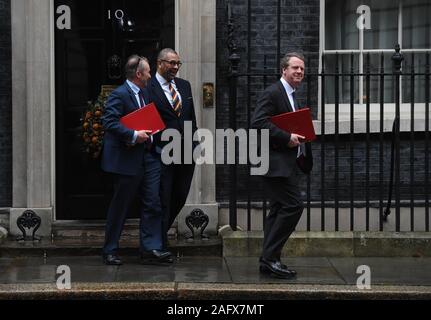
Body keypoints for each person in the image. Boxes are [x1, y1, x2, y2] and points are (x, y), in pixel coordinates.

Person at [101, 55, 172, 265]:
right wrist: (133, 135)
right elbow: (109, 122)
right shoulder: (119, 95)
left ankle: (150, 248)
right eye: (148, 71)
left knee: (152, 203)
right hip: (126, 160)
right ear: (139, 74)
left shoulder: (146, 92)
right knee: (120, 207)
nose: (151, 74)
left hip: (148, 157)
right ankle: (110, 250)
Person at [251, 52, 313, 279]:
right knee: (294, 205)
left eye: (302, 69)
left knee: (278, 209)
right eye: (295, 68)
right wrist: (286, 137)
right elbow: (257, 123)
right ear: (283, 70)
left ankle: (269, 260)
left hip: (286, 163)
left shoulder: (292, 94)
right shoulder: (273, 92)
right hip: (273, 163)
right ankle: (269, 258)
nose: (299, 72)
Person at [147, 48, 198, 249]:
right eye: (171, 63)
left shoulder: (184, 86)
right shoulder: (149, 87)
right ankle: (158, 242)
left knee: (179, 196)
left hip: (186, 153)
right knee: (163, 199)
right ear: (159, 63)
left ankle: (160, 236)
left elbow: (191, 118)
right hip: (162, 153)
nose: (175, 67)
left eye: (178, 64)